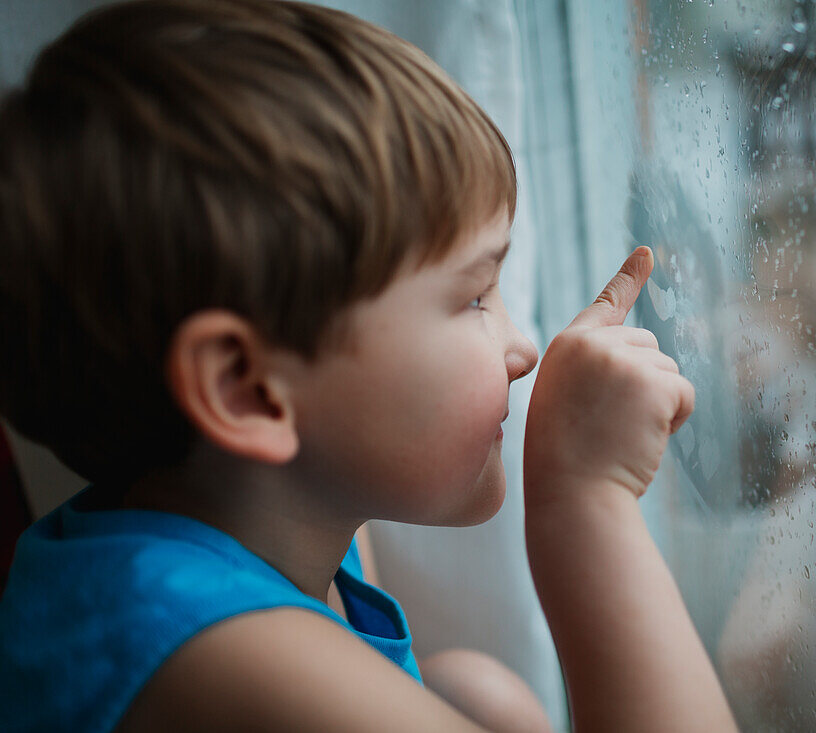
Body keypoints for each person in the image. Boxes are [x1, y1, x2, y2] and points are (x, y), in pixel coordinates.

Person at [0, 1, 738, 731]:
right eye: (476, 295)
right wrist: (585, 505)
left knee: (485, 696)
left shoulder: (262, 523)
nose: (524, 351)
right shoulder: (219, 650)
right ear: (248, 390)